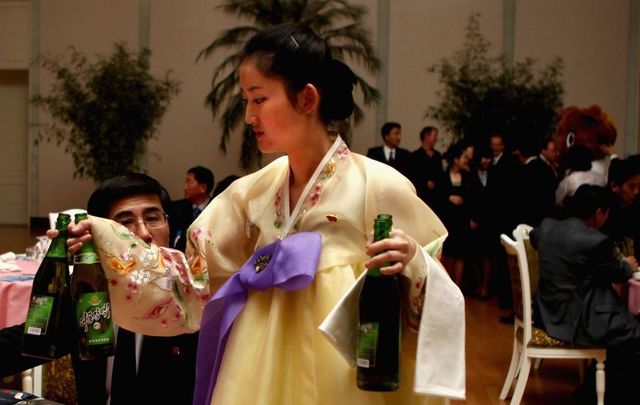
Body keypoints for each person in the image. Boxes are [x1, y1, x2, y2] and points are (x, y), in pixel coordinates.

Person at [67, 23, 465, 405]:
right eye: (246, 101)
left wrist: (412, 261)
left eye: (258, 99)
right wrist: (100, 242)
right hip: (257, 365)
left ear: (307, 99)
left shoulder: (378, 186)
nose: (248, 116)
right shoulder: (251, 194)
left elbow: (435, 277)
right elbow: (193, 277)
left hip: (346, 377)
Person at [0, 173, 198, 405]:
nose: (143, 233)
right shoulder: (88, 295)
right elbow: (16, 347)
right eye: (125, 223)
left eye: (153, 218)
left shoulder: (192, 301)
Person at [530, 184, 640, 403]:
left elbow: (534, 237)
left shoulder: (547, 227)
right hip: (576, 318)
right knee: (633, 333)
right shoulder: (596, 241)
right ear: (599, 212)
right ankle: (609, 394)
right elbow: (617, 274)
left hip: (546, 311)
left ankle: (592, 388)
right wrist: (626, 264)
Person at [409, 126, 444, 214]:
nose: (436, 139)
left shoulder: (437, 155)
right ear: (427, 136)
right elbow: (413, 175)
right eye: (434, 135)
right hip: (421, 194)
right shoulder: (415, 156)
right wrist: (425, 182)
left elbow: (441, 174)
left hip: (436, 196)